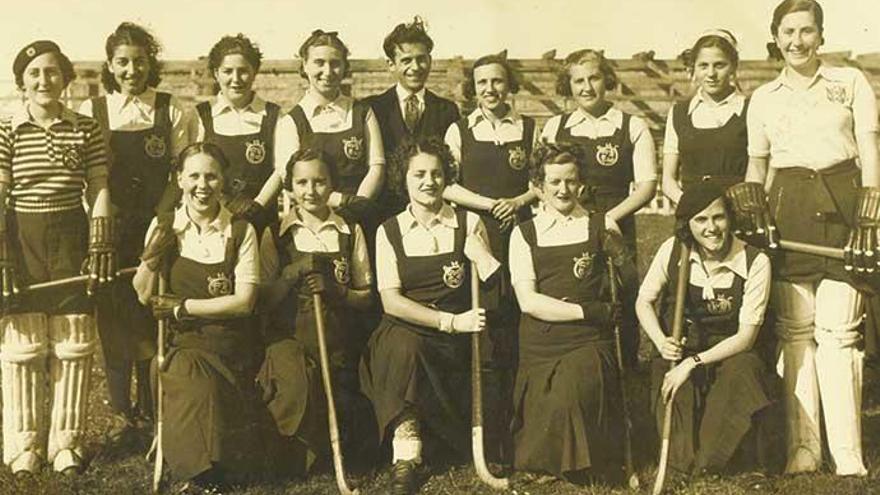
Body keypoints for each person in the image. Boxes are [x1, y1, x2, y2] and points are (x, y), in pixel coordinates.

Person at [730, 0, 879, 476]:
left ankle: (848, 452)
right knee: (796, 334)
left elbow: (869, 148)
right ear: (775, 36)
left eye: (807, 31)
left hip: (843, 205)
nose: (797, 41)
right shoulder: (764, 96)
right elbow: (758, 162)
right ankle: (804, 448)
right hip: (788, 211)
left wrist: (870, 211)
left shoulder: (849, 81)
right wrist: (753, 205)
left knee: (839, 331)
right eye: (788, 32)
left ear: (821, 35)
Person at [360, 135, 500, 495]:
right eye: (418, 174)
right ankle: (405, 458)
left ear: (447, 177)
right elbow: (391, 302)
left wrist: (481, 256)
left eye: (437, 174)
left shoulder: (468, 223)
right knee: (404, 347)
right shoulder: (388, 231)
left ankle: (443, 441)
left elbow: (495, 286)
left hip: (455, 339)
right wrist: (450, 322)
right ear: (402, 180)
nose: (428, 182)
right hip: (407, 328)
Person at [0, 40, 112, 476]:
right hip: (22, 234)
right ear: (22, 83)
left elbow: (98, 186)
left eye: (52, 72)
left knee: (73, 339)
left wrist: (99, 240)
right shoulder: (8, 127)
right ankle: (24, 445)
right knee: (24, 343)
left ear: (65, 79)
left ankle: (66, 443)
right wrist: (2, 251)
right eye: (34, 74)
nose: (44, 81)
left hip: (71, 234)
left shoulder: (84, 128)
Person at [79, 21, 192, 440]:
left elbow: (179, 173)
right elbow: (89, 179)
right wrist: (101, 229)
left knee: (151, 313)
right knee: (112, 317)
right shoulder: (94, 110)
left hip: (157, 226)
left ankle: (152, 410)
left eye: (139, 61)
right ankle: (122, 414)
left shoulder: (171, 109)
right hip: (109, 230)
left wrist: (162, 223)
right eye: (122, 62)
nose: (131, 70)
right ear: (110, 64)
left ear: (151, 63)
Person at [132, 142, 259, 491]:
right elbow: (143, 293)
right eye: (194, 176)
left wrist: (181, 307)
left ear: (224, 181)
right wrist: (152, 256)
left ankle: (202, 462)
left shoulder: (241, 231)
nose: (202, 185)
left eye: (211, 176)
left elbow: (244, 302)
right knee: (190, 377)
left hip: (231, 343)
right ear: (179, 179)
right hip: (182, 343)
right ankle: (201, 475)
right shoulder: (165, 226)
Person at [509, 142, 631, 482]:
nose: (564, 190)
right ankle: (554, 460)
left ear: (581, 183)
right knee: (546, 402)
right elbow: (528, 302)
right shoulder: (524, 234)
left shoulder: (601, 223)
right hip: (542, 341)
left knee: (571, 387)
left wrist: (619, 255)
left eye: (571, 181)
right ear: (538, 187)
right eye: (554, 182)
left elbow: (629, 284)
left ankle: (576, 462)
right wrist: (586, 310)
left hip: (590, 339)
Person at [636, 184, 777, 476]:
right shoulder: (674, 249)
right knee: (672, 394)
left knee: (742, 374)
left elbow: (746, 337)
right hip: (684, 345)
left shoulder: (754, 260)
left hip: (733, 352)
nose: (711, 228)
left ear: (730, 219)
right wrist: (662, 342)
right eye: (701, 220)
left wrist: (693, 362)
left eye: (718, 218)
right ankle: (681, 461)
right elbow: (643, 301)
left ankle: (712, 461)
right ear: (688, 224)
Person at [442, 52, 536, 464]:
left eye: (497, 82)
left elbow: (542, 179)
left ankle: (525, 425)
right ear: (472, 88)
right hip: (479, 236)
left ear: (509, 85)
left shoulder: (530, 128)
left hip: (525, 233)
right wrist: (490, 204)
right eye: (482, 83)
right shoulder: (459, 129)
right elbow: (446, 184)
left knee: (522, 325)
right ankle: (489, 431)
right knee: (489, 332)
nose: (490, 90)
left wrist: (518, 200)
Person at [256, 147, 374, 475]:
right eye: (302, 182)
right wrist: (291, 274)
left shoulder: (349, 231)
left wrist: (335, 291)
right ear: (290, 187)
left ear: (331, 184)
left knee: (353, 407)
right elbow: (264, 301)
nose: (311, 191)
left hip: (339, 338)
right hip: (290, 338)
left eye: (319, 182)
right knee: (297, 386)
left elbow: (365, 297)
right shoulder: (276, 235)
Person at [541, 48, 658, 368]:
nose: (587, 87)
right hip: (569, 222)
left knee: (620, 297)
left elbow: (647, 185)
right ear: (568, 85)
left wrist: (607, 219)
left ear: (606, 79)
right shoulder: (555, 126)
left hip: (613, 221)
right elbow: (540, 182)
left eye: (593, 78)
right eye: (578, 80)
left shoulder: (631, 125)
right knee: (576, 294)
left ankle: (625, 375)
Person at [270, 29, 385, 224]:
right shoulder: (292, 121)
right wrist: (341, 201)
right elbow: (289, 181)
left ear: (344, 67)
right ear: (305, 66)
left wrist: (358, 206)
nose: (328, 72)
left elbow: (377, 167)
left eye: (335, 63)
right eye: (319, 63)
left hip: (361, 216)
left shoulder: (362, 112)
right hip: (314, 220)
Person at [365, 16, 461, 222]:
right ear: (391, 64)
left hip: (433, 215)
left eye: (421, 59)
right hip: (383, 216)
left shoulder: (447, 110)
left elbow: (450, 169)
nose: (415, 67)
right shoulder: (372, 108)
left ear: (430, 61)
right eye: (406, 60)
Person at [191, 33, 282, 234]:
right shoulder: (202, 115)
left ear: (255, 71)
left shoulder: (273, 115)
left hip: (261, 219)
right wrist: (223, 203)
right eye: (227, 71)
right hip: (215, 218)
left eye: (243, 71)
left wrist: (257, 205)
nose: (235, 79)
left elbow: (281, 169)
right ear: (216, 73)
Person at [661, 30, 748, 202]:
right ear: (693, 68)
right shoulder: (678, 113)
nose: (711, 74)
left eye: (719, 65)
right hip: (694, 217)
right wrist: (691, 206)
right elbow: (668, 181)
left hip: (739, 212)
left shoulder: (750, 109)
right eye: (703, 66)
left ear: (733, 66)